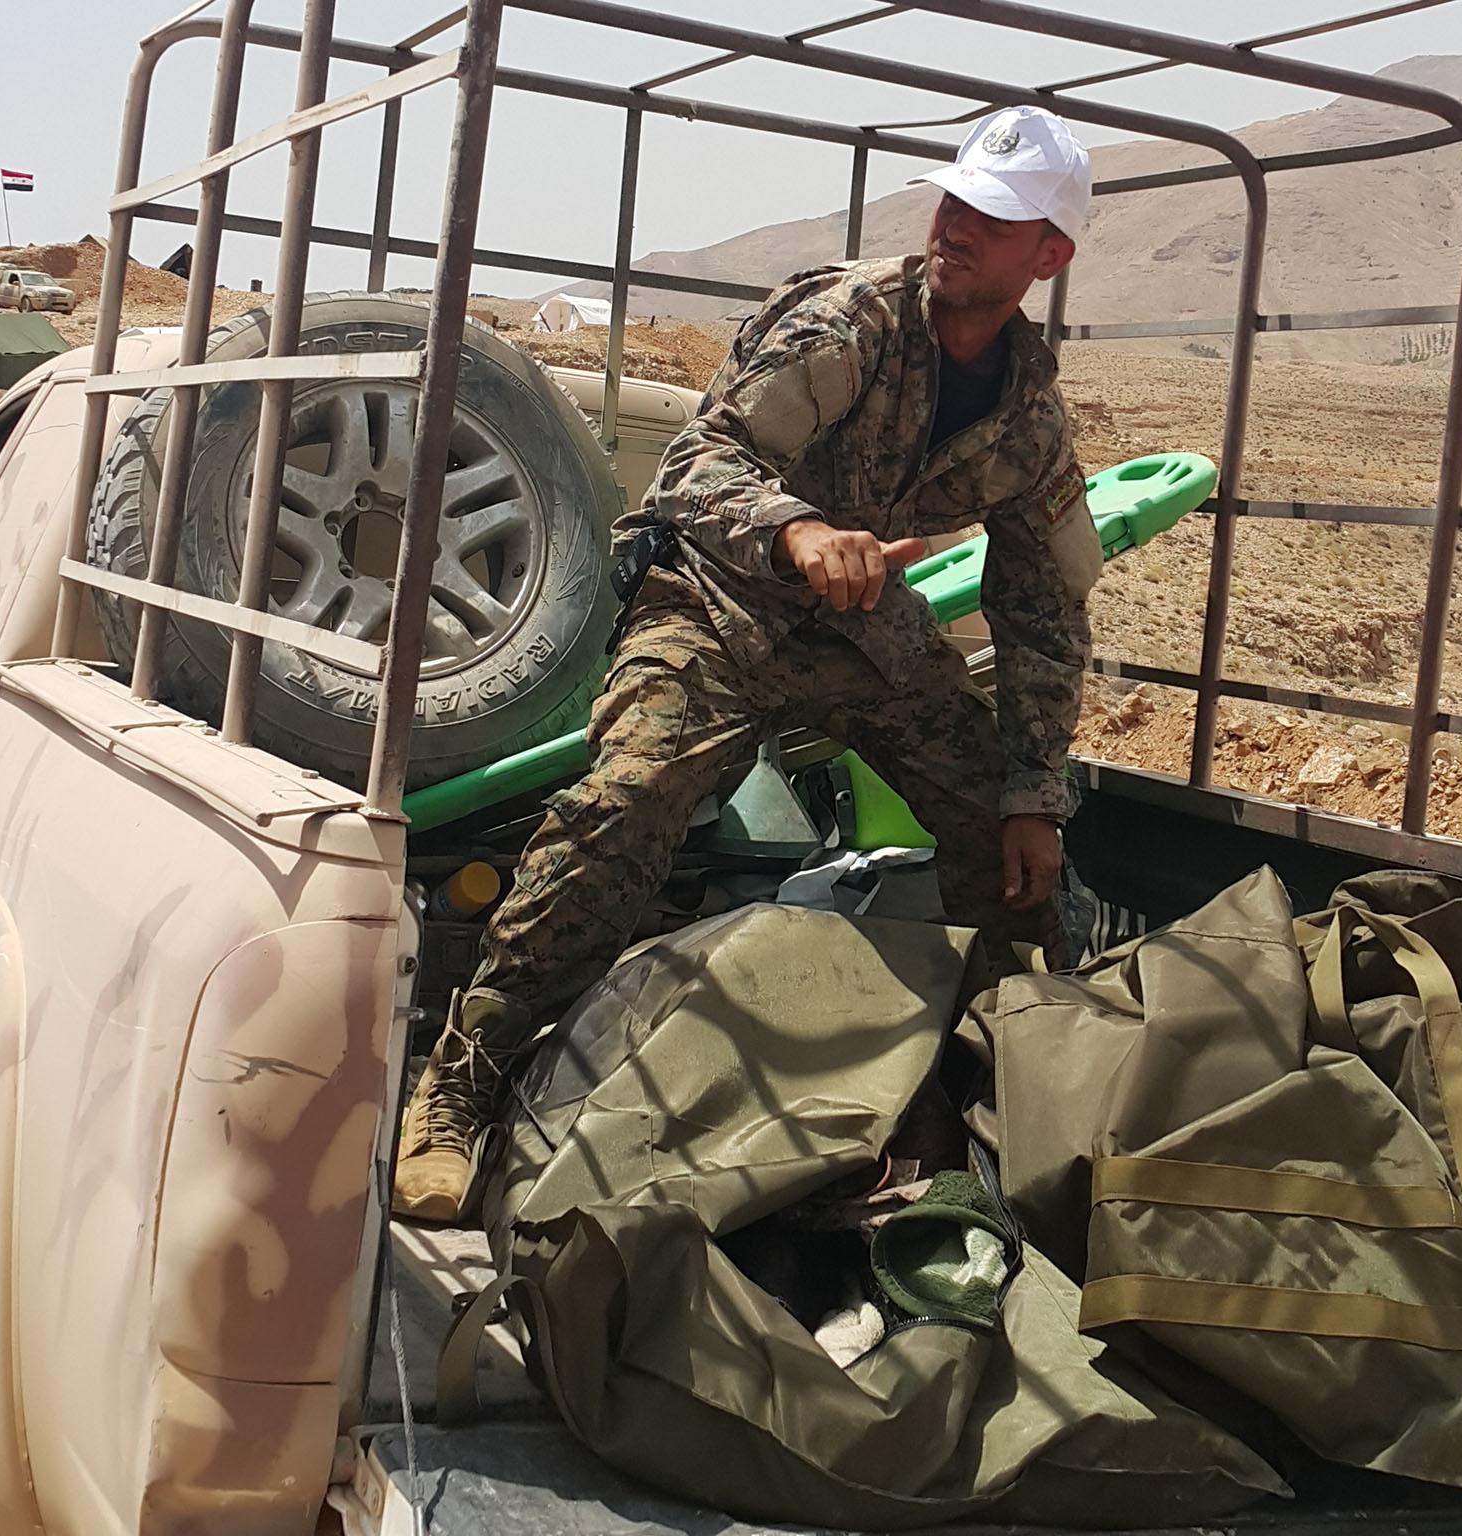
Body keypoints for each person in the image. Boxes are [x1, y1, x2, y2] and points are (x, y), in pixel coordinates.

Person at [393, 105, 1103, 1223]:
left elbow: (1042, 613)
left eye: (994, 216)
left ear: (1048, 255)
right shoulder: (850, 323)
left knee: (1011, 851)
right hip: (713, 604)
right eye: (956, 199)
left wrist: (1032, 796)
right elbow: (699, 458)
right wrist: (796, 531)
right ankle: (460, 1084)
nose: (956, 225)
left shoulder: (1027, 421)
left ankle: (1018, 1088)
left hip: (859, 636)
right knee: (624, 804)